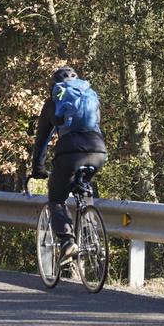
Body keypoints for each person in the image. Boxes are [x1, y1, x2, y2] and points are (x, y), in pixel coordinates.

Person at [30, 66, 107, 263]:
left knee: (56, 198)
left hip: (69, 153)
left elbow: (42, 140)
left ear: (55, 86)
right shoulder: (89, 98)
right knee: (84, 187)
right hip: (98, 151)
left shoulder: (53, 102)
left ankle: (67, 241)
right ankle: (92, 231)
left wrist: (38, 168)